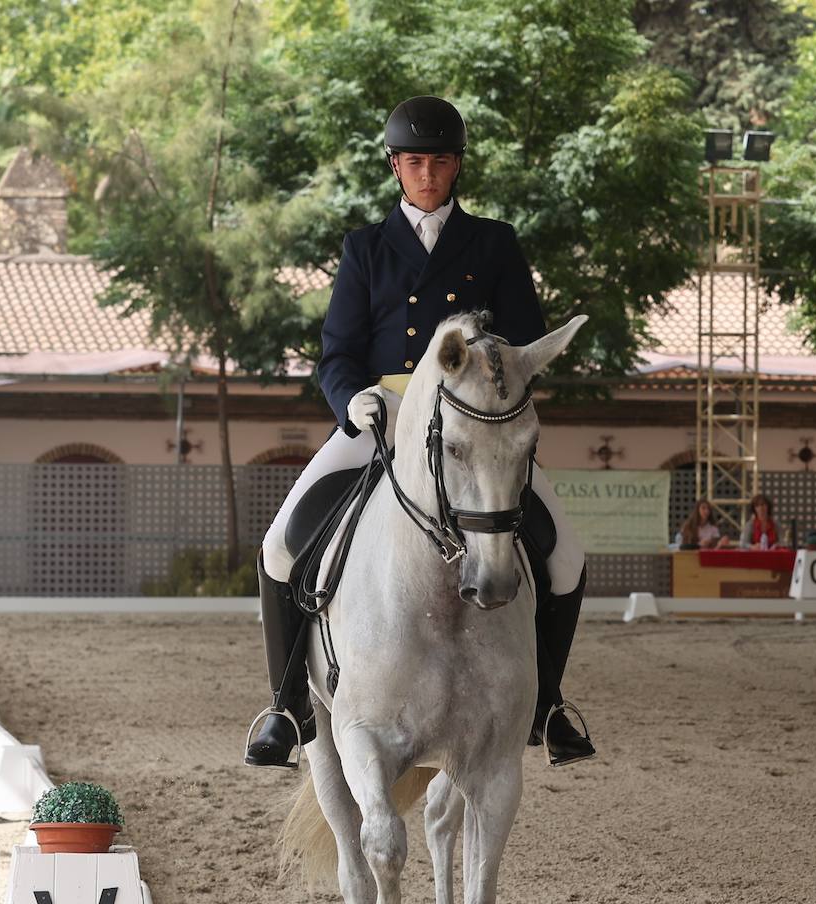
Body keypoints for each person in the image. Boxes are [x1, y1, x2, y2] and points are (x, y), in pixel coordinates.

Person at [243, 96, 595, 770]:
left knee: (566, 554)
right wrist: (353, 401)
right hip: (384, 416)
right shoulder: (365, 248)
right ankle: (286, 705)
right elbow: (337, 352)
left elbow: (519, 345)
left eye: (437, 161)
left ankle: (548, 706)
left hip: (471, 424)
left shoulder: (493, 242)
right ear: (395, 167)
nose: (426, 174)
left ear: (456, 166)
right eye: (413, 162)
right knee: (280, 545)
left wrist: (501, 402)